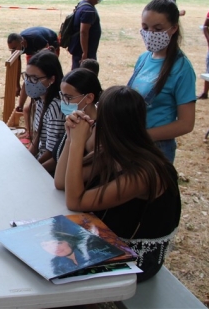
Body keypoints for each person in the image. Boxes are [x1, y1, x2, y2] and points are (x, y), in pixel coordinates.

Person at [54, 86, 181, 282]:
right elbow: (61, 181)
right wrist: (71, 139)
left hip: (137, 259)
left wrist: (80, 144)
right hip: (108, 241)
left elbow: (75, 202)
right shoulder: (113, 152)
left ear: (107, 124)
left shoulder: (144, 172)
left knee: (57, 262)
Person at [127, 0, 196, 163]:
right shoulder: (143, 59)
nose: (150, 34)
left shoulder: (182, 69)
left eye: (157, 29)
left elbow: (186, 123)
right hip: (131, 143)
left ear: (173, 29)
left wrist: (145, 136)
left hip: (156, 148)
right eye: (145, 28)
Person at [45, 68, 102, 176]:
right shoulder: (76, 119)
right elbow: (57, 158)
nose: (64, 102)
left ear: (89, 97)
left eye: (68, 97)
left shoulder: (96, 132)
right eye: (62, 96)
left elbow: (66, 178)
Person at [7, 29, 59, 136]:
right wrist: (17, 86)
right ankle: (31, 133)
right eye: (10, 49)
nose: (13, 51)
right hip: (38, 52)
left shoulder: (36, 39)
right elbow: (19, 67)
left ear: (22, 43)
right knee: (27, 108)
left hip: (49, 44)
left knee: (32, 108)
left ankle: (35, 133)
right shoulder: (19, 47)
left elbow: (48, 59)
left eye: (14, 48)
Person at [22, 50, 65, 165]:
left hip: (46, 167)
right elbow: (38, 139)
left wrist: (32, 167)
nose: (29, 82)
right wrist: (27, 159)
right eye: (27, 76)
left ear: (52, 79)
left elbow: (51, 153)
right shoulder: (41, 99)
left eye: (35, 78)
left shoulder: (56, 109)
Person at [68, 0, 103, 70]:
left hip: (80, 48)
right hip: (84, 50)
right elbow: (83, 32)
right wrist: (85, 53)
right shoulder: (88, 10)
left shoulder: (82, 4)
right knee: (83, 74)